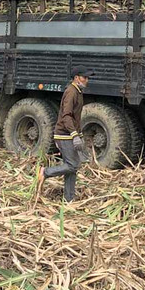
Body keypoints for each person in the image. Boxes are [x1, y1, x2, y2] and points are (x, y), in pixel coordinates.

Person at [37, 66, 95, 202]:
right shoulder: (71, 92)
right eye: (84, 77)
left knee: (72, 168)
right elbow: (66, 115)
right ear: (76, 78)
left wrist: (78, 135)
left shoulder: (78, 91)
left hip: (69, 134)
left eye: (87, 78)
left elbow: (75, 117)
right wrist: (74, 134)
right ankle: (45, 172)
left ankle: (69, 199)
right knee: (72, 165)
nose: (87, 80)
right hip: (64, 135)